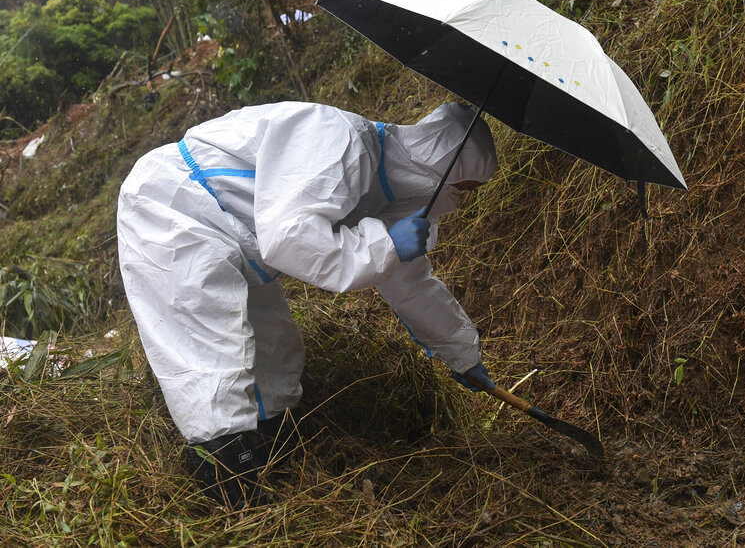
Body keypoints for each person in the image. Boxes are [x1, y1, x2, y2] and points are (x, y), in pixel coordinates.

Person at [116, 100, 497, 507]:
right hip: (178, 208)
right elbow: (289, 237)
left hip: (243, 242)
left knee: (275, 357)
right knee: (212, 359)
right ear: (444, 167)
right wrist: (385, 244)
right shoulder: (339, 141)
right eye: (464, 189)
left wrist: (462, 355)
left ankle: (273, 467)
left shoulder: (401, 200)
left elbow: (410, 284)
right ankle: (233, 503)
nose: (460, 201)